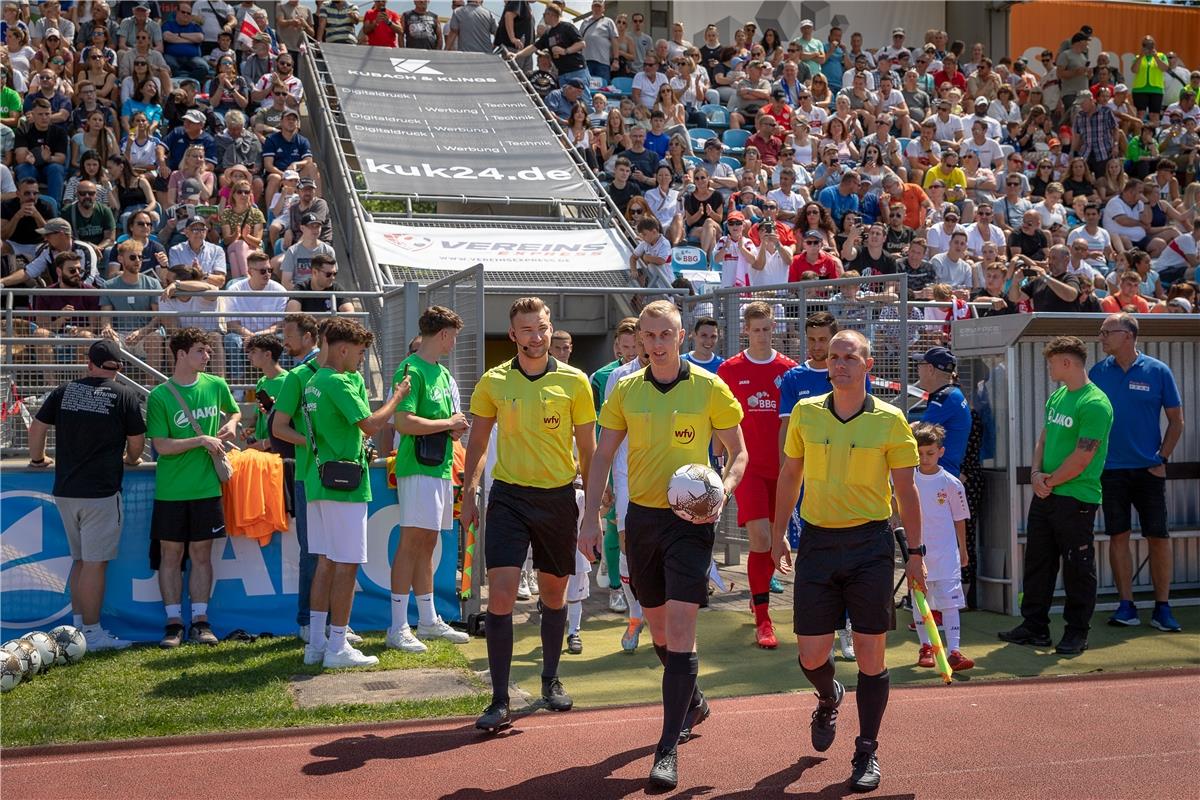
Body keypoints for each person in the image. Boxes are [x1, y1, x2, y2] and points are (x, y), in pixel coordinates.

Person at [580, 300, 746, 790]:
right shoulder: (625, 389)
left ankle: (667, 748)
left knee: (680, 629)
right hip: (642, 520)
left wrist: (723, 491)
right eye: (648, 336)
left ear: (681, 337)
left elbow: (739, 452)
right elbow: (602, 454)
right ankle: (692, 699)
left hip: (691, 522)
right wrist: (591, 517)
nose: (656, 344)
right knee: (656, 628)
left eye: (665, 335)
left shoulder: (710, 387)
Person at [772, 329, 923, 793]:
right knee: (811, 654)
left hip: (870, 548)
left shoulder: (892, 420)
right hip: (817, 543)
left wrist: (914, 554)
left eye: (849, 357)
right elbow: (790, 474)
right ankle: (828, 695)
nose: (838, 364)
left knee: (872, 657)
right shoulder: (805, 412)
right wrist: (779, 535)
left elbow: (906, 491)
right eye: (833, 357)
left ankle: (867, 750)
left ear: (868, 365)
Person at [460, 297, 597, 733]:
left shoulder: (576, 382)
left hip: (558, 498)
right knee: (499, 594)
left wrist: (593, 503)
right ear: (513, 334)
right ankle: (499, 699)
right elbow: (477, 446)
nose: (536, 337)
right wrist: (467, 493)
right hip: (509, 498)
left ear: (550, 327)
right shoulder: (493, 381)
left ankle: (550, 680)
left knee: (553, 595)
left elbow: (589, 449)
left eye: (541, 328)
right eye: (527, 330)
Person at [302, 319, 409, 668]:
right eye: (360, 352)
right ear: (343, 348)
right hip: (343, 487)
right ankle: (337, 646)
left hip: (319, 481)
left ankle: (317, 644)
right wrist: (397, 397)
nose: (362, 359)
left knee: (326, 563)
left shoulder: (314, 380)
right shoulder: (336, 381)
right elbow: (371, 425)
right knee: (346, 565)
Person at [27, 340, 145, 651]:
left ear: (88, 363)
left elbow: (36, 428)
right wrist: (132, 460)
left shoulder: (63, 391)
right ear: (118, 368)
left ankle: (78, 630)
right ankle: (91, 633)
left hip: (66, 489)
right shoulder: (125, 394)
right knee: (94, 564)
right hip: (101, 492)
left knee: (81, 561)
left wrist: (37, 459)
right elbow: (137, 441)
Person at [1000, 336, 1113, 656]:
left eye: (1052, 362)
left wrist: (1049, 481)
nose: (1048, 367)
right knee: (1038, 561)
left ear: (1067, 362)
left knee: (1078, 566)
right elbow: (1044, 438)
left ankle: (1077, 632)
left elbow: (1083, 457)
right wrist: (1036, 475)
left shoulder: (1095, 403)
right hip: (1047, 492)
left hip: (1076, 497)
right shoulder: (1059, 395)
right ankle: (1034, 626)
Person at [146, 327, 241, 649]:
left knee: (202, 555)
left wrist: (231, 423)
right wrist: (201, 439)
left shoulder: (216, 385)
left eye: (208, 350)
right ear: (181, 354)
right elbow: (161, 445)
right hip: (171, 489)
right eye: (200, 350)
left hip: (207, 487)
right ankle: (173, 622)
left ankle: (201, 621)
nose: (208, 355)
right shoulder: (160, 395)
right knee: (170, 556)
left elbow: (235, 410)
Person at [1090, 314, 1184, 632]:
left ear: (1128, 335)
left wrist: (1162, 459)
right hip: (1111, 470)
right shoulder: (1096, 373)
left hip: (1148, 471)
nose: (1101, 337)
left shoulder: (1158, 371)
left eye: (1107, 332)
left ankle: (1162, 608)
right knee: (1118, 536)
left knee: (1158, 537)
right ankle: (1126, 606)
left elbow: (1176, 421)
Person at [388, 306, 472, 652]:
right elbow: (403, 422)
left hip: (439, 467)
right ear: (442, 334)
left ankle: (427, 620)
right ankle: (397, 627)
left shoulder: (439, 372)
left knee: (427, 545)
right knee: (411, 545)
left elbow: (445, 422)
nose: (454, 342)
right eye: (453, 335)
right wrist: (448, 425)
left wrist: (455, 428)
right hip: (418, 467)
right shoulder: (411, 369)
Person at [716, 303, 796, 649]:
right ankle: (763, 619)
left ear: (773, 328)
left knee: (776, 541)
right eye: (756, 329)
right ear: (745, 330)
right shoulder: (729, 369)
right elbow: (718, 416)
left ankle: (759, 593)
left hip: (784, 469)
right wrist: (719, 453)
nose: (761, 334)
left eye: (766, 328)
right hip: (748, 468)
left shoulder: (788, 370)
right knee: (761, 539)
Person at [908, 422, 973, 670]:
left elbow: (959, 519)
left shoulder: (952, 484)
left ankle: (954, 651)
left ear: (941, 452)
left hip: (946, 554)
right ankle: (926, 648)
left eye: (930, 453)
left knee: (949, 603)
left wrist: (963, 550)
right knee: (920, 601)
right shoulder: (907, 480)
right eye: (920, 453)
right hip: (919, 554)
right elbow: (897, 508)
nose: (925, 458)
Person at [911, 347, 971, 477]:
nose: (917, 369)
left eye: (920, 365)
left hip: (940, 477)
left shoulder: (945, 398)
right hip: (944, 474)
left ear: (930, 369)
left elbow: (918, 433)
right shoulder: (952, 394)